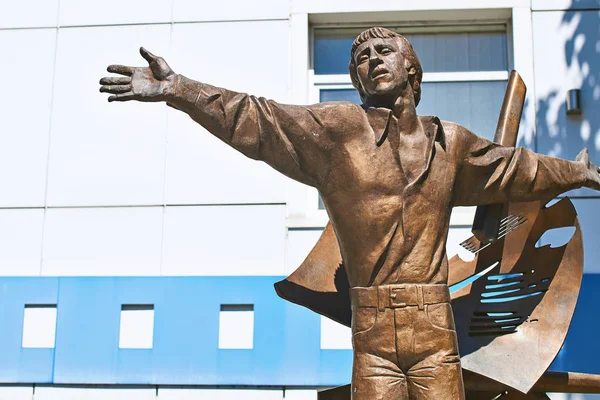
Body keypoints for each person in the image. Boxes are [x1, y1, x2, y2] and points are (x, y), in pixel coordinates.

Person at [100, 27, 600, 400]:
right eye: (361, 57)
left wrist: (575, 173)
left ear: (411, 68)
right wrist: (180, 90)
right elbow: (256, 117)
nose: (372, 60)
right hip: (374, 335)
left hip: (434, 330)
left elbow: (517, 169)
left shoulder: (450, 144)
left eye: (384, 52)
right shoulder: (337, 133)